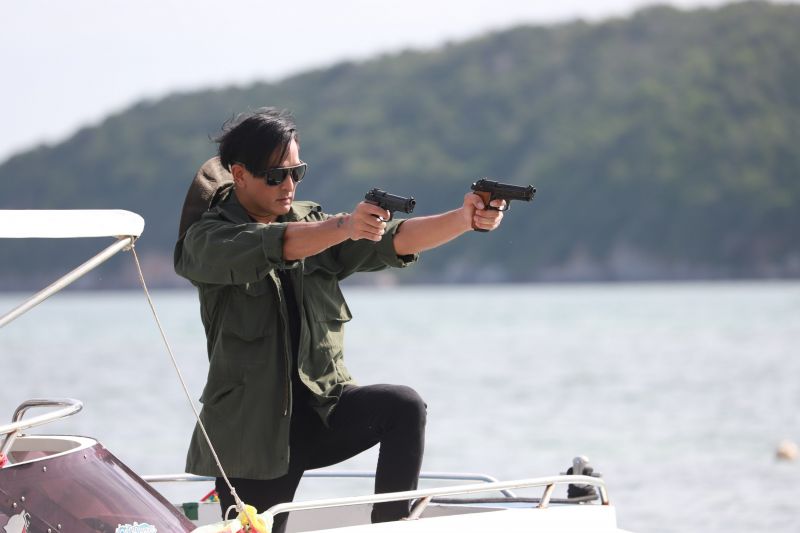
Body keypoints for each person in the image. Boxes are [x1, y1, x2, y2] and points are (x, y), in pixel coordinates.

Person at [174, 107, 505, 531]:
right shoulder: (207, 239)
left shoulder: (313, 223)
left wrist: (464, 219)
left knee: (403, 406)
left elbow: (394, 240)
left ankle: (391, 528)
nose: (289, 185)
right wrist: (347, 225)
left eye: (296, 173)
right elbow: (276, 244)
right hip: (253, 437)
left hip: (323, 411)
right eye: (276, 176)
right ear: (239, 175)